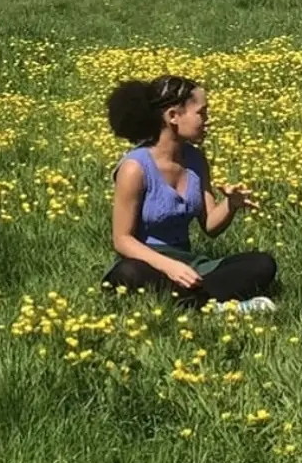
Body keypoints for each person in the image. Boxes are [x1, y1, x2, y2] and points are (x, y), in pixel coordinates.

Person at [104, 74, 279, 313]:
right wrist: (169, 266)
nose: (208, 121)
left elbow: (210, 226)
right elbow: (122, 240)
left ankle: (193, 302)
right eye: (202, 113)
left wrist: (230, 204)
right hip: (147, 261)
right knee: (127, 274)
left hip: (190, 263)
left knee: (262, 264)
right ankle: (214, 305)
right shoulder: (134, 168)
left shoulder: (196, 160)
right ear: (173, 116)